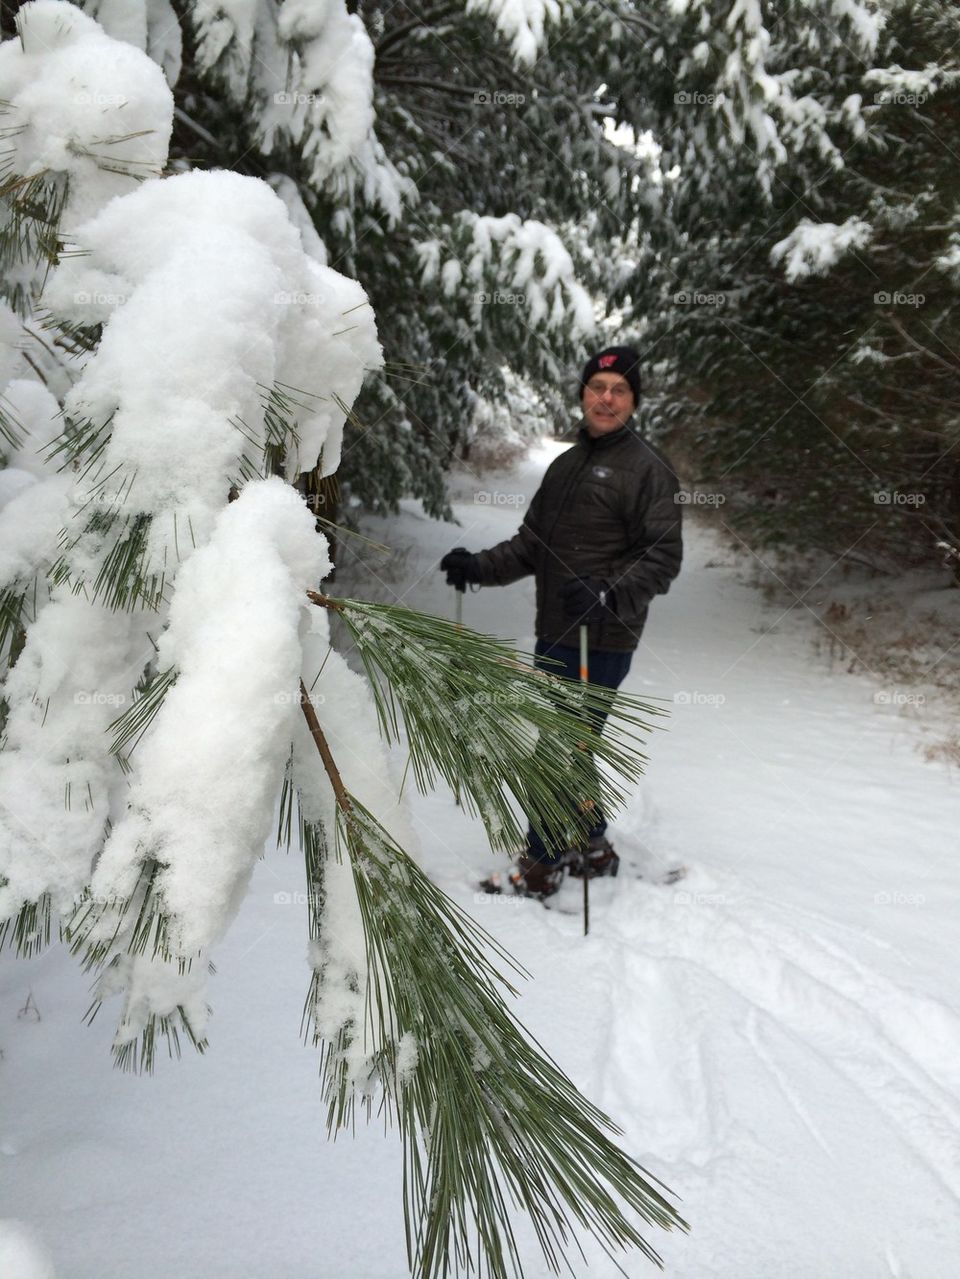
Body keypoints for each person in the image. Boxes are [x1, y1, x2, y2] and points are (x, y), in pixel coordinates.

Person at [440, 345, 683, 897]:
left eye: (619, 389)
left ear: (633, 401)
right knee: (571, 747)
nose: (606, 397)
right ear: (582, 395)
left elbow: (661, 556)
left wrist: (606, 592)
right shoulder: (567, 465)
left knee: (556, 747)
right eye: (597, 387)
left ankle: (542, 863)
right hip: (554, 631)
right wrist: (479, 566)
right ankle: (594, 846)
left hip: (603, 636)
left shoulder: (648, 468)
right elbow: (533, 545)